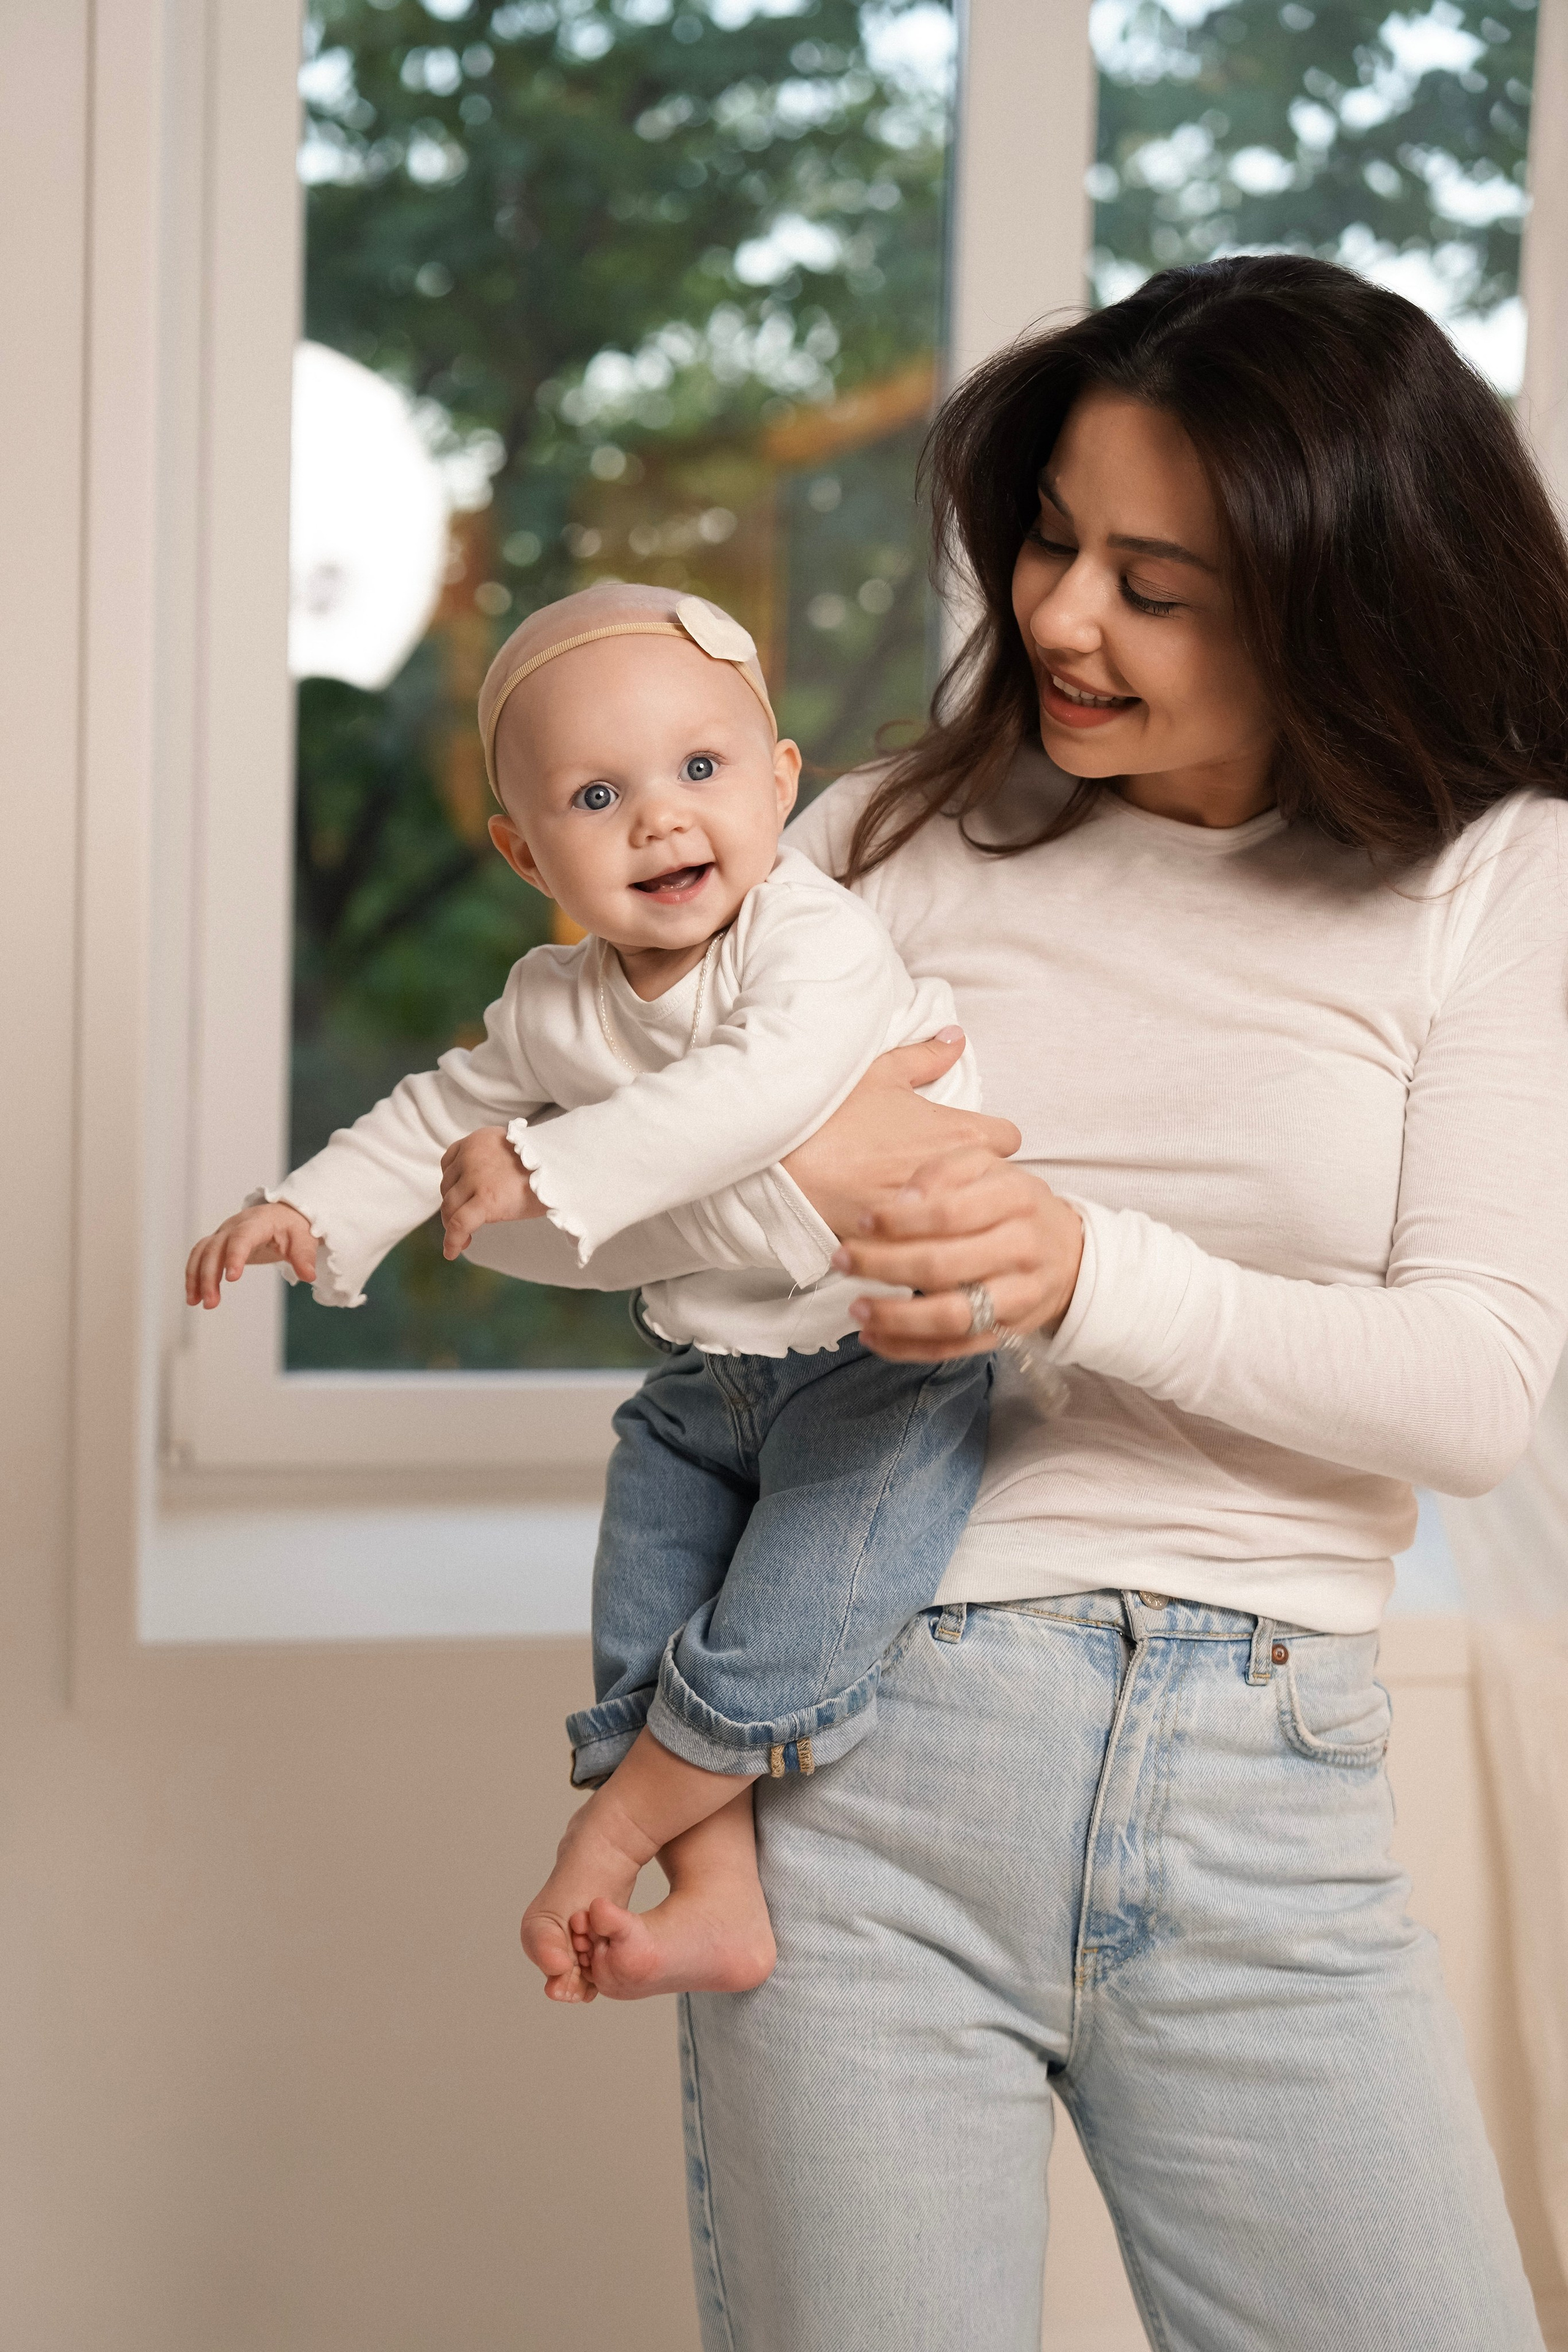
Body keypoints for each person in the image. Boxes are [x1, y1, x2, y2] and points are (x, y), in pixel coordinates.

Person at [382, 257, 1566, 2348]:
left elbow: (1475, 1389)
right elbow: (539, 1209)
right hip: (858, 1759)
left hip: (1256, 1778)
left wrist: (1083, 1268)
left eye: (1155, 579)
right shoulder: (878, 842)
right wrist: (784, 1172)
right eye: (1047, 537)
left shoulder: (1495, 880)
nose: (1055, 618)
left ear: (1337, 590)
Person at [184, 579, 995, 2006]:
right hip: (708, 1375)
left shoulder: (810, 938)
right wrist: (307, 1206)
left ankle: (614, 1832)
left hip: (883, 1355)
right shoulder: (554, 1001)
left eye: (700, 770)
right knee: (644, 1581)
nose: (661, 820)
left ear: (777, 780)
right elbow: (443, 1110)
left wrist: (552, 1172)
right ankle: (717, 1891)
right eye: (596, 794)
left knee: (797, 1607)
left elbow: (760, 1099)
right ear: (522, 848)